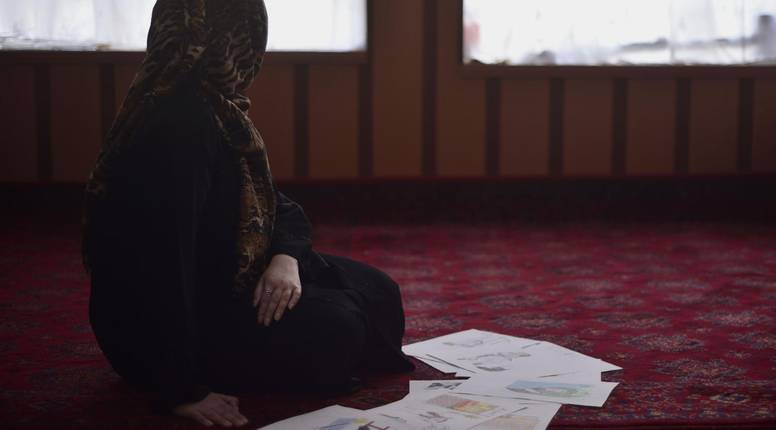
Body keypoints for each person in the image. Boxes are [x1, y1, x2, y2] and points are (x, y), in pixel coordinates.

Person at [82, 0, 414, 427]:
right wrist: (180, 389)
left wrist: (285, 259)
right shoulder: (179, 126)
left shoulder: (218, 110)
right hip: (170, 324)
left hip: (228, 274)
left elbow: (278, 204)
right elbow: (162, 267)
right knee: (339, 328)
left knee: (378, 290)